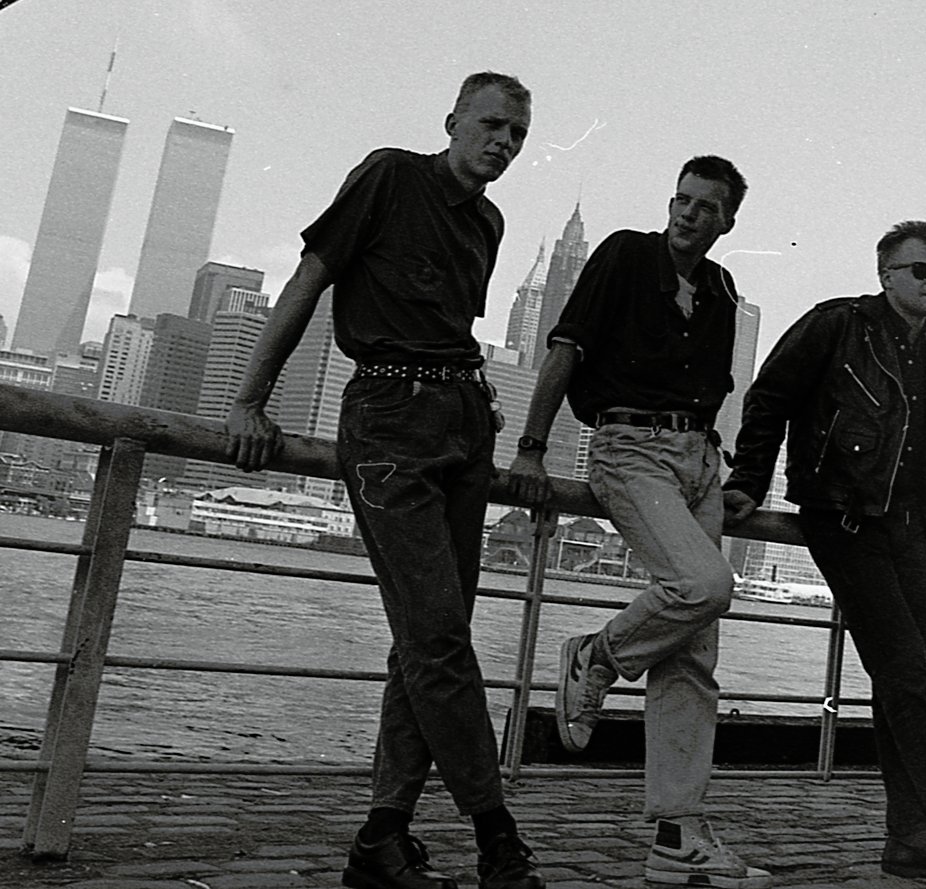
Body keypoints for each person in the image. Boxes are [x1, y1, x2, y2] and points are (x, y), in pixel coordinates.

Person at [224, 73, 543, 889]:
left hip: (464, 424)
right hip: (388, 421)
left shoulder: (489, 221)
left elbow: (450, 327)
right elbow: (311, 276)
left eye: (517, 133)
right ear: (453, 121)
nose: (504, 143)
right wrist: (250, 399)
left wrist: (480, 407)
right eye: (492, 124)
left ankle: (383, 835)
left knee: (428, 639)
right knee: (438, 637)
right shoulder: (390, 174)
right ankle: (497, 836)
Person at [724, 221, 926, 887]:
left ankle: (909, 839)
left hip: (907, 533)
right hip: (844, 518)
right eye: (921, 270)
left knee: (907, 680)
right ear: (886, 274)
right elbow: (770, 397)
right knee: (905, 676)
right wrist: (749, 482)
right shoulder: (837, 324)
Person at [505, 156, 771, 889]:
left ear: (728, 220)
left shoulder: (721, 289)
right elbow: (567, 348)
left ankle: (677, 835)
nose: (688, 214)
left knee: (692, 654)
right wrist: (531, 447)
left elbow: (717, 392)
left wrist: (734, 479)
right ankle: (596, 655)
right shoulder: (624, 253)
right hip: (630, 448)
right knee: (705, 585)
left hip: (700, 461)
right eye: (681, 199)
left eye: (706, 206)